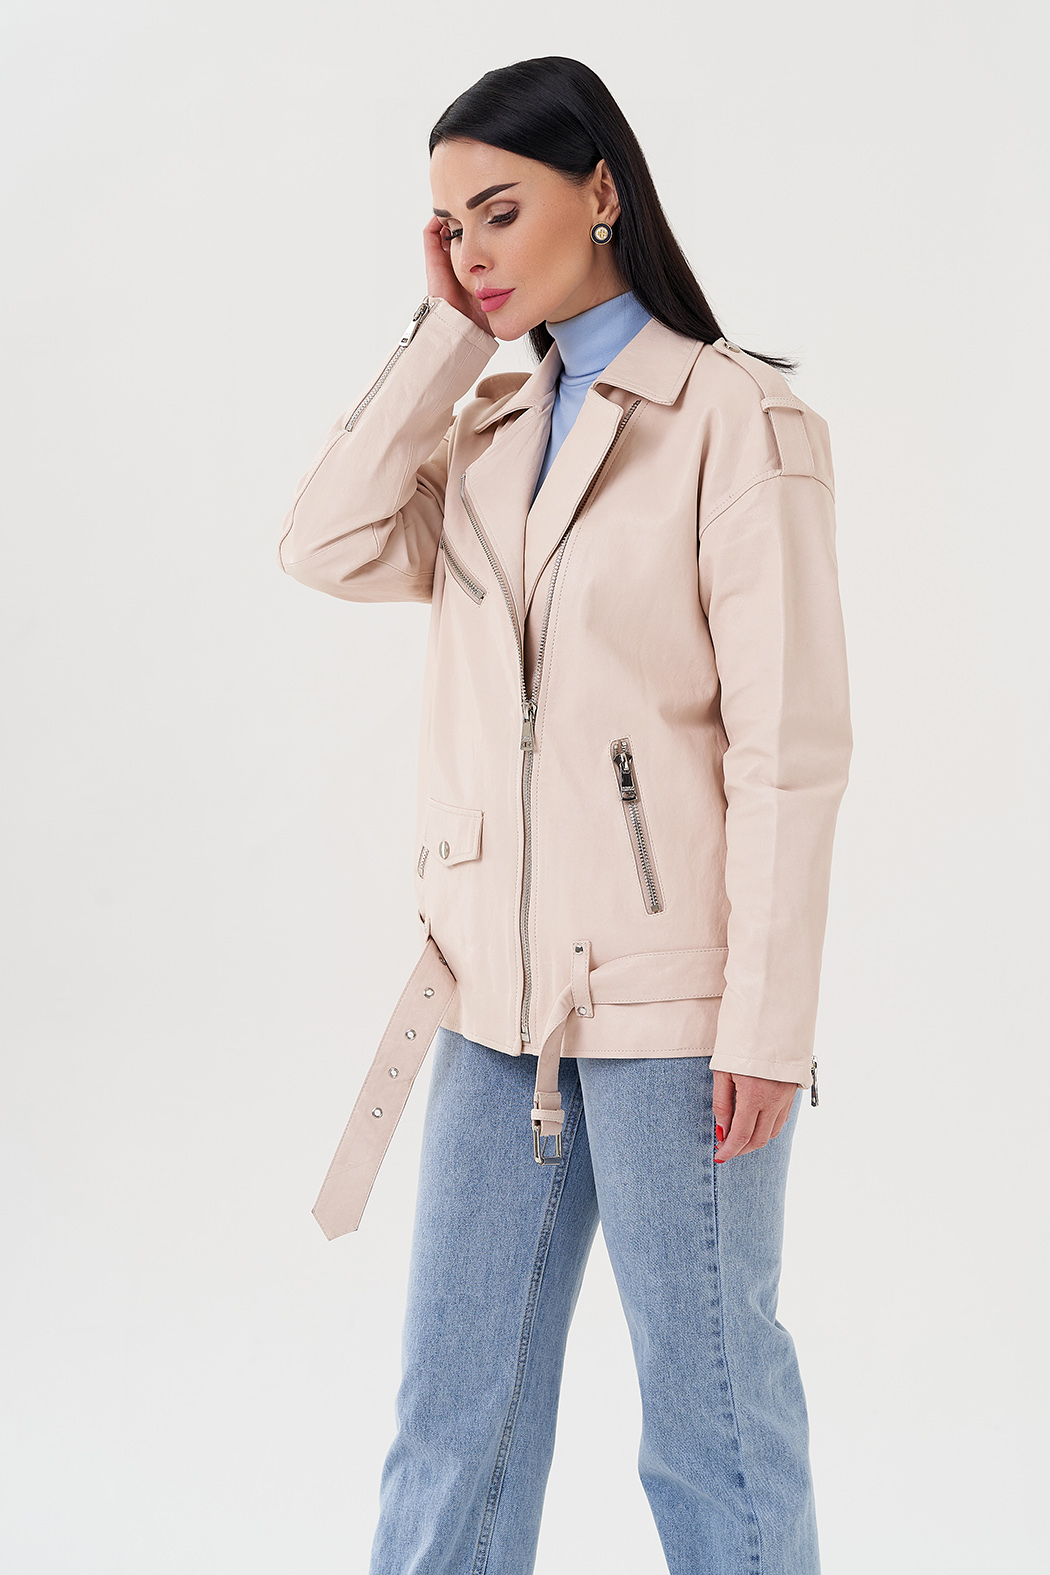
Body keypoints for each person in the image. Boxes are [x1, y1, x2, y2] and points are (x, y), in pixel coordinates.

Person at [279, 54, 851, 1575]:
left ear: (601, 191)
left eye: (499, 209)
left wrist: (766, 1025)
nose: (471, 248)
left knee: (709, 1428)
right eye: (447, 224)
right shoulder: (479, 439)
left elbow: (788, 751)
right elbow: (324, 542)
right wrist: (440, 342)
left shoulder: (737, 422)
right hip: (487, 1004)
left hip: (678, 1021)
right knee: (448, 1423)